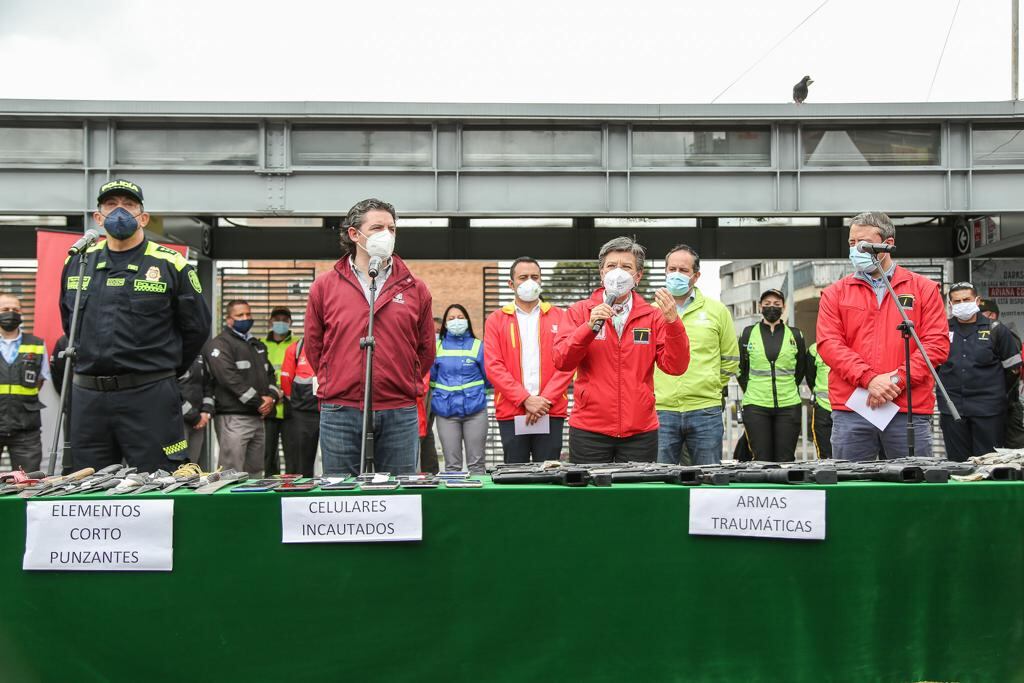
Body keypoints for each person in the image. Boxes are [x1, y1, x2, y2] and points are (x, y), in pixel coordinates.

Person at [61, 179, 211, 472]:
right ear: (98, 216)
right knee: (84, 486)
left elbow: (197, 328)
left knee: (163, 481)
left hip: (149, 395)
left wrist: (162, 371)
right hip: (89, 398)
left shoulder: (171, 263)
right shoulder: (78, 261)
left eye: (128, 205)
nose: (119, 211)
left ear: (143, 217)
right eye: (111, 205)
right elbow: (69, 322)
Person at [304, 198, 435, 476]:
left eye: (392, 228)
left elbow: (425, 350)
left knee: (400, 496)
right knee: (339, 497)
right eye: (377, 227)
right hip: (341, 408)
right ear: (354, 234)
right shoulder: (324, 286)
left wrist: (402, 378)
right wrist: (337, 377)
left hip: (399, 408)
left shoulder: (415, 288)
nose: (387, 234)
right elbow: (315, 346)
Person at [816, 211, 949, 460]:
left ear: (887, 245)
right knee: (852, 491)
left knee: (912, 491)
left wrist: (897, 380)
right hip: (852, 410)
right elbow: (829, 344)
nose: (855, 249)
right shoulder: (835, 293)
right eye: (851, 243)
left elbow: (936, 345)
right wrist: (869, 380)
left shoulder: (924, 289)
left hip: (907, 409)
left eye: (862, 243)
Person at [553, 236, 690, 463]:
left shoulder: (652, 315)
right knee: (590, 497)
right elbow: (561, 360)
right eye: (611, 266)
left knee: (636, 497)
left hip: (640, 431)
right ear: (602, 273)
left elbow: (675, 367)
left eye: (626, 267)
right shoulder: (580, 311)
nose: (618, 272)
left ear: (638, 277)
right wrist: (588, 328)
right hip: (589, 429)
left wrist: (674, 323)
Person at [654, 245, 738, 466]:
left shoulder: (717, 311)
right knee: (660, 481)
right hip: (661, 410)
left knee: (708, 479)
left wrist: (708, 385)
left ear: (696, 275)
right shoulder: (651, 313)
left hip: (705, 411)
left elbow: (731, 359)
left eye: (683, 270)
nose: (676, 275)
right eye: (671, 269)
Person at [484, 257, 573, 463]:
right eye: (523, 277)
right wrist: (525, 400)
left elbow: (568, 364)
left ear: (541, 281)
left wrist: (544, 401)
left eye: (535, 277)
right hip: (511, 410)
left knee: (550, 474)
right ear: (511, 284)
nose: (529, 282)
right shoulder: (496, 320)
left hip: (550, 410)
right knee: (515, 477)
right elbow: (493, 366)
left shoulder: (561, 317)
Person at [936, 283, 1022, 461]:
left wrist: (993, 391)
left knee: (988, 464)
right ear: (950, 305)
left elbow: (1013, 370)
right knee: (957, 466)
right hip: (953, 410)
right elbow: (934, 367)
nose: (961, 303)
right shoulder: (941, 331)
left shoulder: (996, 330)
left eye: (966, 299)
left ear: (977, 300)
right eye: (957, 301)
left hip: (989, 410)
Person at [204, 300, 279, 476]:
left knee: (256, 472)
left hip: (258, 417)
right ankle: (228, 505)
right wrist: (259, 402)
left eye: (248, 314)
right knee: (231, 471)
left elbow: (270, 375)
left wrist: (272, 398)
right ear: (229, 320)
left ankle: (254, 504)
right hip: (234, 417)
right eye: (239, 315)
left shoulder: (257, 345)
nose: (245, 318)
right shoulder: (220, 345)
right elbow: (229, 379)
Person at [737, 290, 807, 462]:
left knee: (785, 458)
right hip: (756, 405)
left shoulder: (795, 335)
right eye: (767, 303)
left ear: (783, 307)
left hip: (789, 404)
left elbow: (801, 368)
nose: (772, 307)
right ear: (760, 306)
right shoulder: (748, 333)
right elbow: (741, 369)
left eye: (777, 304)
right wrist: (753, 388)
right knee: (761, 458)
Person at [432, 304, 490, 473]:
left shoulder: (478, 346)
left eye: (460, 318)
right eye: (451, 319)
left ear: (467, 321)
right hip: (445, 412)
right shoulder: (437, 347)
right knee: (452, 466)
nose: (456, 321)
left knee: (477, 465)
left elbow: (489, 378)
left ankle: (479, 500)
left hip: (476, 411)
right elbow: (432, 378)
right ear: (445, 324)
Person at [0, 293, 50, 472]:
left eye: (15, 310)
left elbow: (40, 381)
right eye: (5, 309)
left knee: (28, 484)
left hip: (26, 429)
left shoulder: (36, 344)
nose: (11, 313)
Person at [979, 297, 1024, 448]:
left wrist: (997, 393)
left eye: (981, 314)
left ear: (992, 315)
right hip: (988, 405)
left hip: (1008, 404)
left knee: (1014, 451)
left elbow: (1013, 371)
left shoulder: (1005, 334)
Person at [263, 306, 298, 475]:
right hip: (268, 406)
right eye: (277, 319)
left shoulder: (298, 344)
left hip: (291, 406)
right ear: (270, 321)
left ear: (290, 322)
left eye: (285, 320)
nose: (281, 323)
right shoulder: (261, 345)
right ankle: (269, 487)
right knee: (268, 453)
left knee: (293, 454)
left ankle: (291, 488)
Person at [279, 338, 319, 477]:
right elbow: (286, 379)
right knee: (301, 464)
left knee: (338, 463)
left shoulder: (336, 343)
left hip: (334, 409)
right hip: (303, 412)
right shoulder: (295, 348)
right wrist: (296, 401)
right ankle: (300, 495)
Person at [178, 354, 214, 465]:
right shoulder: (171, 356)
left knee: (192, 464)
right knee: (176, 463)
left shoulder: (199, 357)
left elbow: (207, 386)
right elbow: (169, 393)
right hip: (177, 423)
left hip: (199, 422)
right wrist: (193, 416)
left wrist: (206, 411)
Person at [805, 342, 833, 459]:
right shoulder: (814, 349)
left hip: (848, 410)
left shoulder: (853, 344)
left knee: (848, 455)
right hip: (823, 407)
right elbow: (810, 376)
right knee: (825, 455)